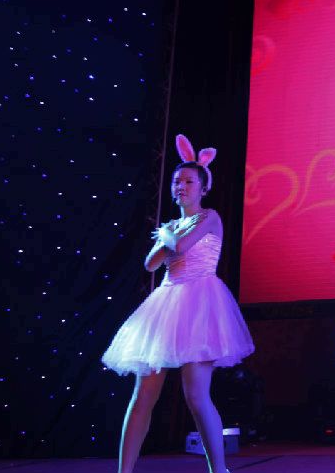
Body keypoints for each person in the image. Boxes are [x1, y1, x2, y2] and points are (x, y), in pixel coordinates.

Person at [102, 134, 254, 473]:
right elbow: (150, 264)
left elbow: (180, 248)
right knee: (143, 396)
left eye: (188, 181)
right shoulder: (172, 225)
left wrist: (168, 237)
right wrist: (168, 236)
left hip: (201, 304)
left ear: (203, 188)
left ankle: (219, 469)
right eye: (176, 181)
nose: (181, 186)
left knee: (196, 396)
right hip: (167, 304)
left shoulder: (209, 217)